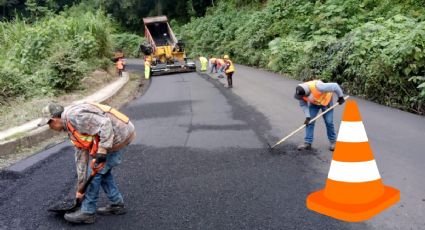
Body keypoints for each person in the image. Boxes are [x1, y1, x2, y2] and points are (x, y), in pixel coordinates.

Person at [38, 102, 136, 224]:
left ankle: (87, 212)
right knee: (101, 172)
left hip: (120, 135)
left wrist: (102, 150)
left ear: (54, 119)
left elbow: (105, 124)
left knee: (94, 174)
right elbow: (80, 156)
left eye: (49, 124)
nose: (50, 128)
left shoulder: (75, 116)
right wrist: (80, 188)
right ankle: (117, 204)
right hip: (112, 136)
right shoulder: (69, 125)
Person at [294, 79, 345, 151]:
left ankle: (333, 142)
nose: (302, 98)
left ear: (307, 92)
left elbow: (335, 86)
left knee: (329, 121)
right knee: (309, 122)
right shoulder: (300, 92)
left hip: (326, 102)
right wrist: (308, 116)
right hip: (314, 103)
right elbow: (303, 105)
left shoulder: (319, 86)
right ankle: (308, 143)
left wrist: (340, 97)